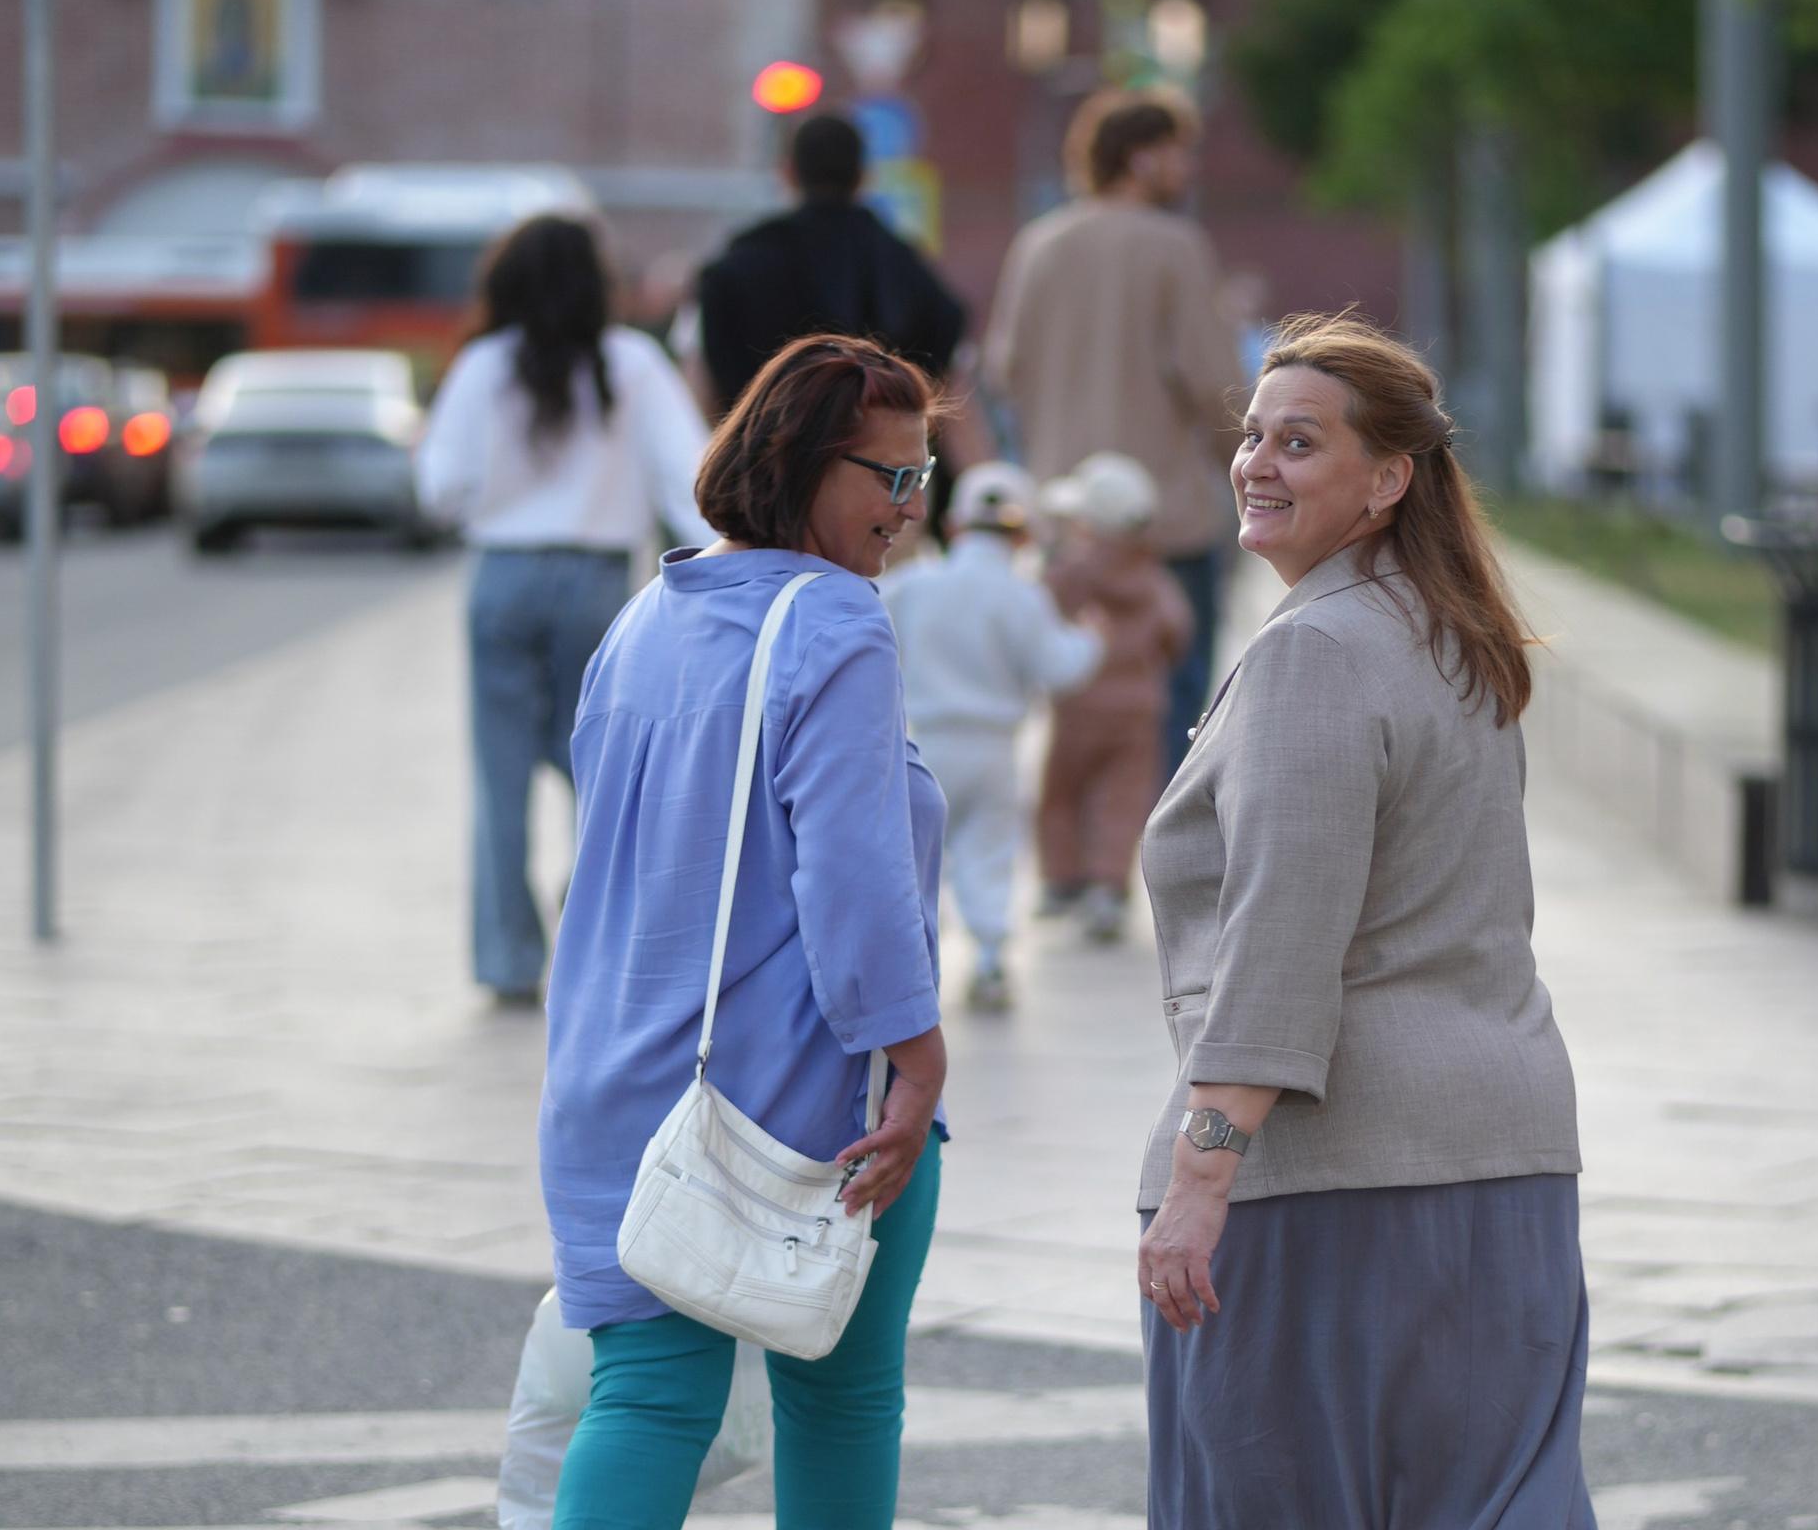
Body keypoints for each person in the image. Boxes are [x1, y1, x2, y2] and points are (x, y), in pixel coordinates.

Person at [1121, 314, 1637, 1530]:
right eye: (1253, 433)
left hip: (1326, 1170)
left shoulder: (1313, 657)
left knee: (1248, 1499)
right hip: (1504, 1151)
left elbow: (1283, 934)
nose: (1257, 463)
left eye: (1301, 440)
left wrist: (1203, 1168)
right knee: (1503, 1512)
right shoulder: (1458, 640)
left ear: (1389, 478)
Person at [518, 334, 956, 1530]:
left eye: (922, 475)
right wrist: (916, 1052)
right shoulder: (833, 623)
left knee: (643, 1399)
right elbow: (850, 876)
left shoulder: (648, 614)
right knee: (844, 1392)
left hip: (613, 1081)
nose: (906, 506)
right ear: (798, 464)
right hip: (796, 1096)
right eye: (884, 475)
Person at [417, 212, 714, 1005]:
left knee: (500, 774)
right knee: (604, 770)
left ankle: (509, 958)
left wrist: (502, 492)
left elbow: (439, 488)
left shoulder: (484, 365)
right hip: (595, 582)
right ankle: (595, 928)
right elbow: (690, 482)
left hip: (502, 575)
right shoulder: (632, 363)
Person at [983, 88, 1245, 767]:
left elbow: (1004, 371)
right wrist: (1253, 476)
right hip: (1164, 522)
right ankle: (1158, 859)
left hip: (1066, 521)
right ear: (1141, 158)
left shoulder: (1038, 244)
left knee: (1074, 701)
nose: (1187, 170)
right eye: (1177, 154)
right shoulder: (1176, 246)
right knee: (1175, 709)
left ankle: (1080, 856)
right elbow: (1217, 385)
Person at [885, 460, 1102, 1011]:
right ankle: (987, 958)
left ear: (953, 526)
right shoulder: (1022, 595)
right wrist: (1091, 639)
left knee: (915, 860)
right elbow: (1058, 667)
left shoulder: (914, 586)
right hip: (995, 747)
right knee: (989, 852)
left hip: (923, 742)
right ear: (1023, 533)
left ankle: (913, 970)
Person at [696, 112, 968, 417]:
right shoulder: (902, 266)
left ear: (788, 173)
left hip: (764, 456)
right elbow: (946, 369)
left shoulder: (738, 267)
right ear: (863, 176)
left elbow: (709, 389)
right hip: (880, 458)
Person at [1036, 451, 1192, 946]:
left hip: (1076, 705)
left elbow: (1039, 616)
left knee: (1062, 793)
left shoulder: (1070, 575)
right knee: (1122, 800)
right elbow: (1176, 632)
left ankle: (1062, 877)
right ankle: (1106, 885)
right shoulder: (1155, 580)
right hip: (1138, 710)